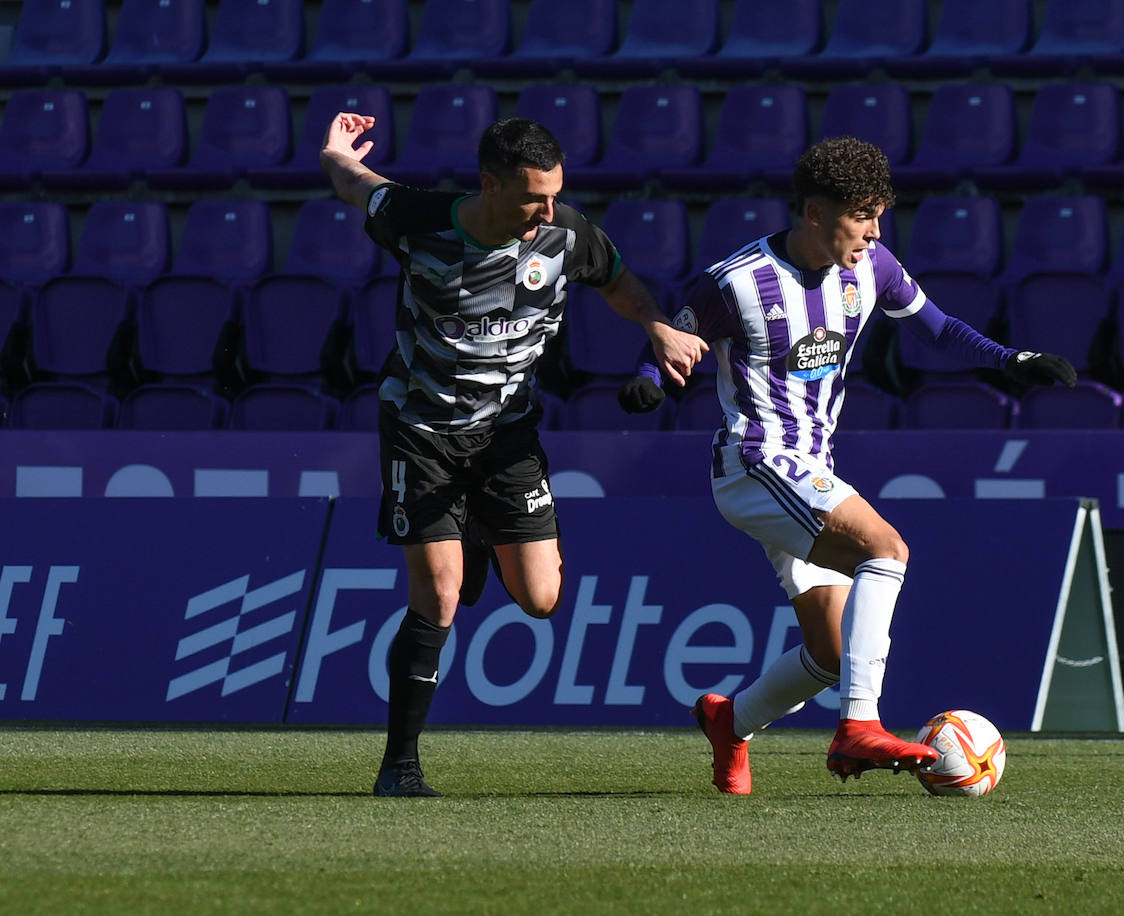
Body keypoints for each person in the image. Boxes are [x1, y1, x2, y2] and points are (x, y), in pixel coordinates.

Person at [618, 136, 1076, 794]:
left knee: (832, 653)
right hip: (755, 459)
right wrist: (648, 381)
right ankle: (859, 724)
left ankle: (731, 721)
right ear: (813, 212)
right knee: (886, 549)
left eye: (880, 214)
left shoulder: (875, 266)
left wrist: (1013, 362)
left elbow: (938, 328)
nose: (875, 230)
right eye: (862, 215)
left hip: (807, 470)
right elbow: (678, 335)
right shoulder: (737, 280)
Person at [320, 112, 708, 797]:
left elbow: (619, 281)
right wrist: (334, 151)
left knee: (540, 597)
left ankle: (468, 537)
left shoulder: (567, 234)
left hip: (508, 436)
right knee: (438, 598)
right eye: (534, 196)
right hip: (421, 428)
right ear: (489, 183)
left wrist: (655, 328)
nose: (548, 209)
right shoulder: (417, 219)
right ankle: (399, 768)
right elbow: (355, 183)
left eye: (555, 193)